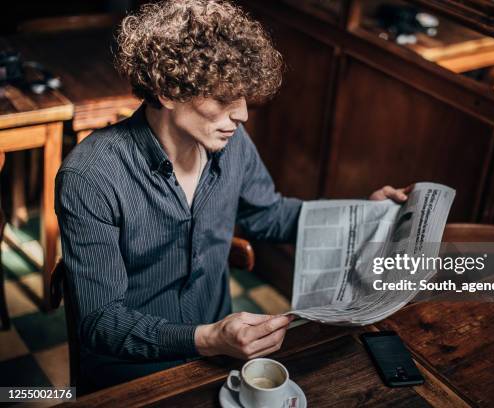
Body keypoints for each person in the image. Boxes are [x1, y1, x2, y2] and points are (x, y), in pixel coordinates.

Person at [55, 0, 412, 391]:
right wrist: (208, 338)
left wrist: (366, 213)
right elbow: (99, 321)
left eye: (242, 96)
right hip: (130, 372)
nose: (242, 114)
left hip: (218, 356)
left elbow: (269, 214)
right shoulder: (90, 177)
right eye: (223, 98)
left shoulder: (232, 143)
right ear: (167, 91)